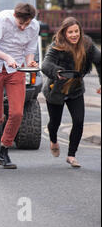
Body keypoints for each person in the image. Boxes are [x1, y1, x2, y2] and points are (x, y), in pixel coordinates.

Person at [0, 2, 39, 169]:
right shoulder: (2, 18)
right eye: (21, 23)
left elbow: (30, 49)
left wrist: (30, 62)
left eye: (26, 24)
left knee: (17, 112)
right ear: (15, 16)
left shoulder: (34, 26)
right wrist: (7, 58)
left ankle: (4, 150)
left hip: (17, 69)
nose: (23, 27)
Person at [41, 17, 101, 168]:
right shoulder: (57, 46)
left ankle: (71, 155)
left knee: (79, 121)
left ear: (80, 32)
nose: (74, 35)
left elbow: (99, 61)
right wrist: (57, 72)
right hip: (56, 89)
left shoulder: (87, 44)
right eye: (70, 32)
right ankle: (53, 140)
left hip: (75, 89)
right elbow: (46, 64)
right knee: (54, 123)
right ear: (64, 33)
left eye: (76, 31)